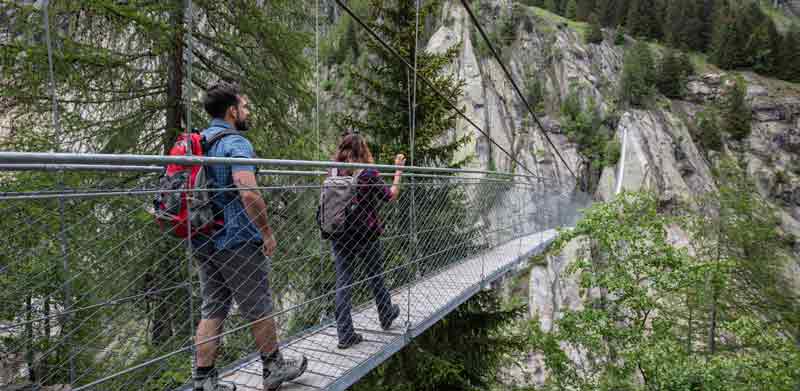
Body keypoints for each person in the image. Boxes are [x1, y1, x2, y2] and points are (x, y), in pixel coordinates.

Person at [192, 81, 306, 391]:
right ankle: (274, 367)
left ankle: (204, 380)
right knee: (258, 304)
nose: (247, 112)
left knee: (213, 307)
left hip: (203, 237)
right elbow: (249, 193)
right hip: (237, 238)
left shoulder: (200, 140)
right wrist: (266, 232)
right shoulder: (235, 142)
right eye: (245, 107)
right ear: (232, 111)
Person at [329, 133, 405, 349]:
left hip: (339, 233)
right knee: (376, 275)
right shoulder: (368, 172)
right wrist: (398, 172)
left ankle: (344, 333)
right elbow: (389, 196)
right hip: (366, 234)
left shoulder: (333, 169)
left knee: (343, 282)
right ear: (363, 150)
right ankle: (386, 313)